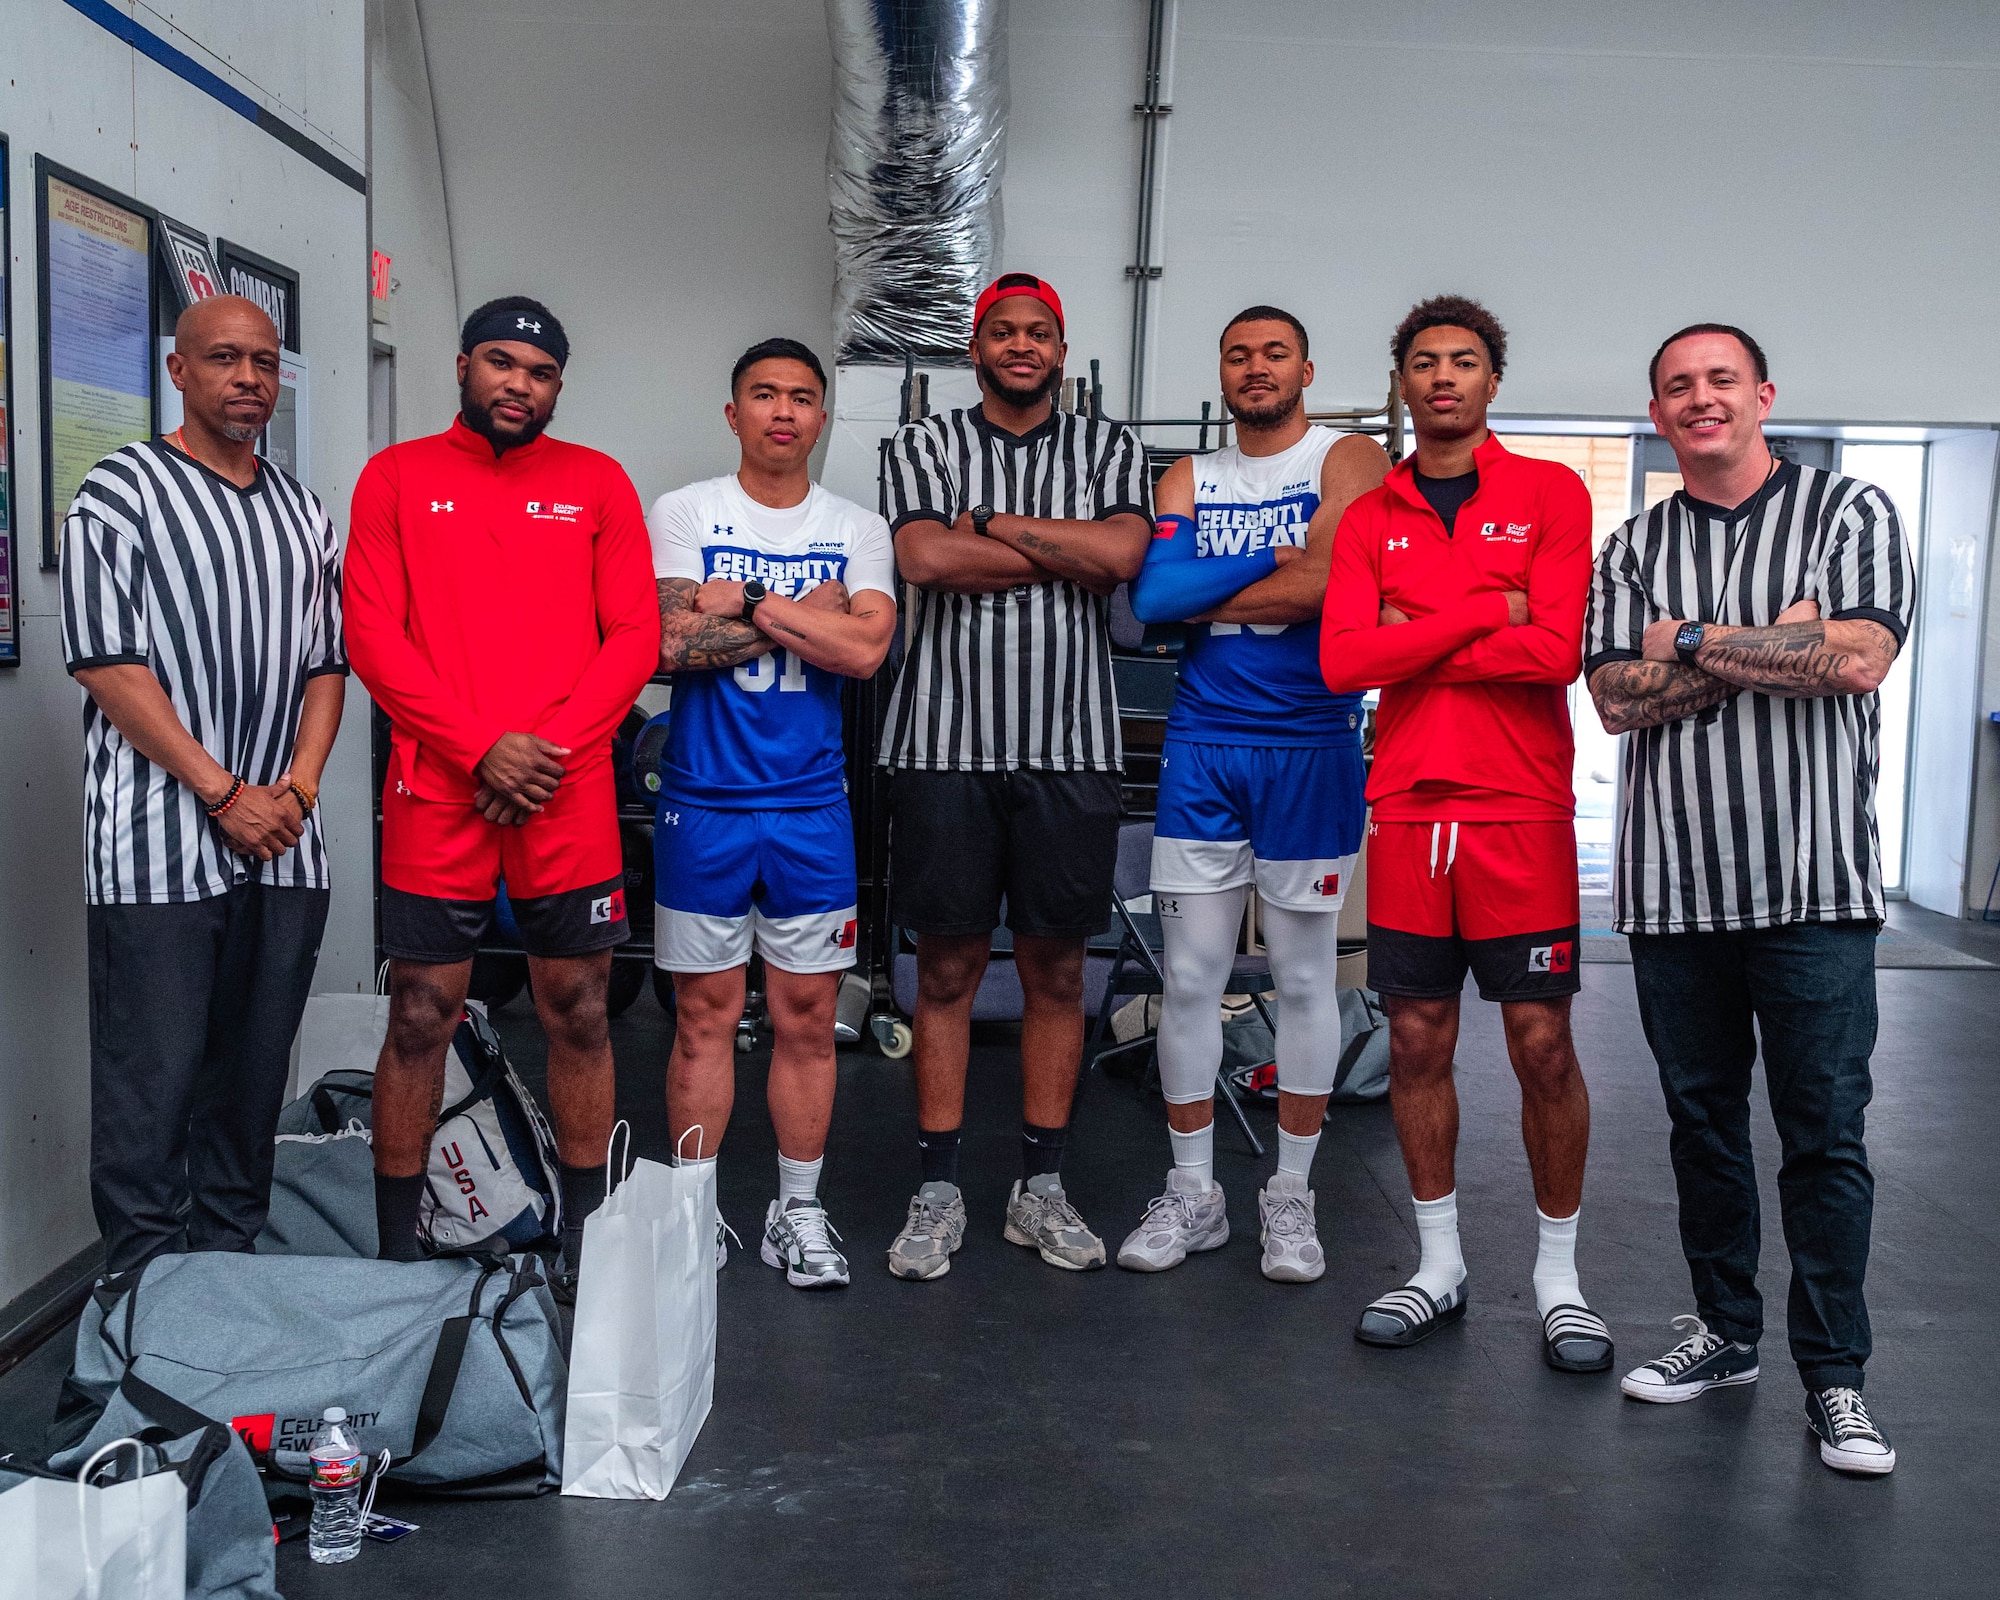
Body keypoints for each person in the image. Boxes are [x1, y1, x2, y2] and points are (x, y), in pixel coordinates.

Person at [1585, 324, 1913, 1475]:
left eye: (1718, 379)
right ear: (1658, 410)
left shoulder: (1848, 513)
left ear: (1761, 393)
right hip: (1674, 891)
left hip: (1813, 887)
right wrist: (1779, 643)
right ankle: (1724, 1335)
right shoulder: (1628, 542)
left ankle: (1836, 1381)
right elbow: (1617, 699)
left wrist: (1688, 640)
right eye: (1676, 386)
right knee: (1701, 1127)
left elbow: (1858, 658)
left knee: (1824, 1137)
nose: (1698, 398)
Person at [1320, 295, 1610, 1372]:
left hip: (1518, 809)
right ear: (1401, 382)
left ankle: (1557, 1277)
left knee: (1541, 1045)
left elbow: (1554, 652)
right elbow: (1342, 664)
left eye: (1465, 362)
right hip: (1405, 810)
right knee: (1413, 1040)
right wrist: (1488, 610)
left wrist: (1416, 637)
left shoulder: (1548, 491)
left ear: (1493, 381)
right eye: (1424, 363)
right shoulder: (1367, 518)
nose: (1443, 377)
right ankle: (1436, 1264)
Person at [345, 297, 661, 1276]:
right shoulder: (396, 477)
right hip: (438, 786)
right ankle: (399, 1253)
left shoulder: (596, 482)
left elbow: (634, 636)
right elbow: (372, 637)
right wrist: (480, 748)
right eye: (499, 362)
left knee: (576, 1005)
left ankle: (585, 1242)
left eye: (537, 371)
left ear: (557, 384)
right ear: (461, 366)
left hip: (560, 791)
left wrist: (544, 753)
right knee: (419, 1013)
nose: (516, 384)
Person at [60, 295, 346, 1277]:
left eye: (263, 362)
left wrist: (297, 794)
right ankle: (138, 1328)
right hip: (158, 855)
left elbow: (325, 669)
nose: (247, 379)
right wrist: (225, 792)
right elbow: (107, 663)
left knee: (249, 1095)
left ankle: (226, 1303)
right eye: (223, 358)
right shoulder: (117, 491)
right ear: (177, 371)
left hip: (283, 848)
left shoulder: (305, 513)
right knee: (154, 1097)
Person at [879, 272, 1151, 1278]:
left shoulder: (1109, 447)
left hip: (1068, 747)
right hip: (943, 747)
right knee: (944, 971)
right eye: (1003, 331)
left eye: (1039, 331)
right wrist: (1061, 553)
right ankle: (938, 1190)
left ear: (1060, 350)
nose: (1022, 345)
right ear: (975, 346)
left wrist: (986, 526)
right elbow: (921, 562)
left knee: (1058, 973)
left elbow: (1120, 554)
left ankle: (1040, 1189)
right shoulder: (917, 444)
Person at [1117, 307, 1387, 1278]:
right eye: (1237, 354)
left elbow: (1333, 585)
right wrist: (1271, 560)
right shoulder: (1191, 473)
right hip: (1200, 746)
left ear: (1304, 367)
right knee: (1187, 978)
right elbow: (1147, 602)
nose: (1254, 367)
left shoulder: (1343, 457)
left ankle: (1288, 1195)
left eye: (1272, 352)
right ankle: (1194, 1193)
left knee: (1306, 977)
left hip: (1309, 745)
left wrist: (1205, 583)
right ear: (1222, 373)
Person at [647, 339, 897, 1290]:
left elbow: (867, 654)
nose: (783, 411)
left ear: (821, 417)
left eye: (801, 397)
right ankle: (693, 1211)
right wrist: (804, 612)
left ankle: (798, 1209)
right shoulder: (686, 510)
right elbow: (670, 639)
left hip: (811, 811)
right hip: (704, 804)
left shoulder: (856, 525)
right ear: (734, 412)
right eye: (764, 394)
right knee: (703, 1018)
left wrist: (744, 600)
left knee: (806, 1016)